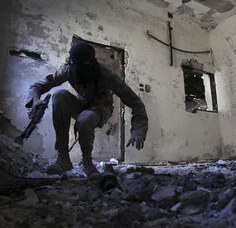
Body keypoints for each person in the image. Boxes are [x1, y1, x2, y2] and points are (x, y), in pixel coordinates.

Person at [26, 42, 148, 176]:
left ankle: (87, 163)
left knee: (85, 118)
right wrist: (36, 100)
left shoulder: (107, 75)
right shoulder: (68, 70)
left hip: (101, 108)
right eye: (75, 64)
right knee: (58, 96)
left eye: (83, 65)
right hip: (81, 106)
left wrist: (138, 129)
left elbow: (135, 103)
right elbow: (38, 86)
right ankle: (63, 159)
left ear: (92, 63)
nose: (78, 69)